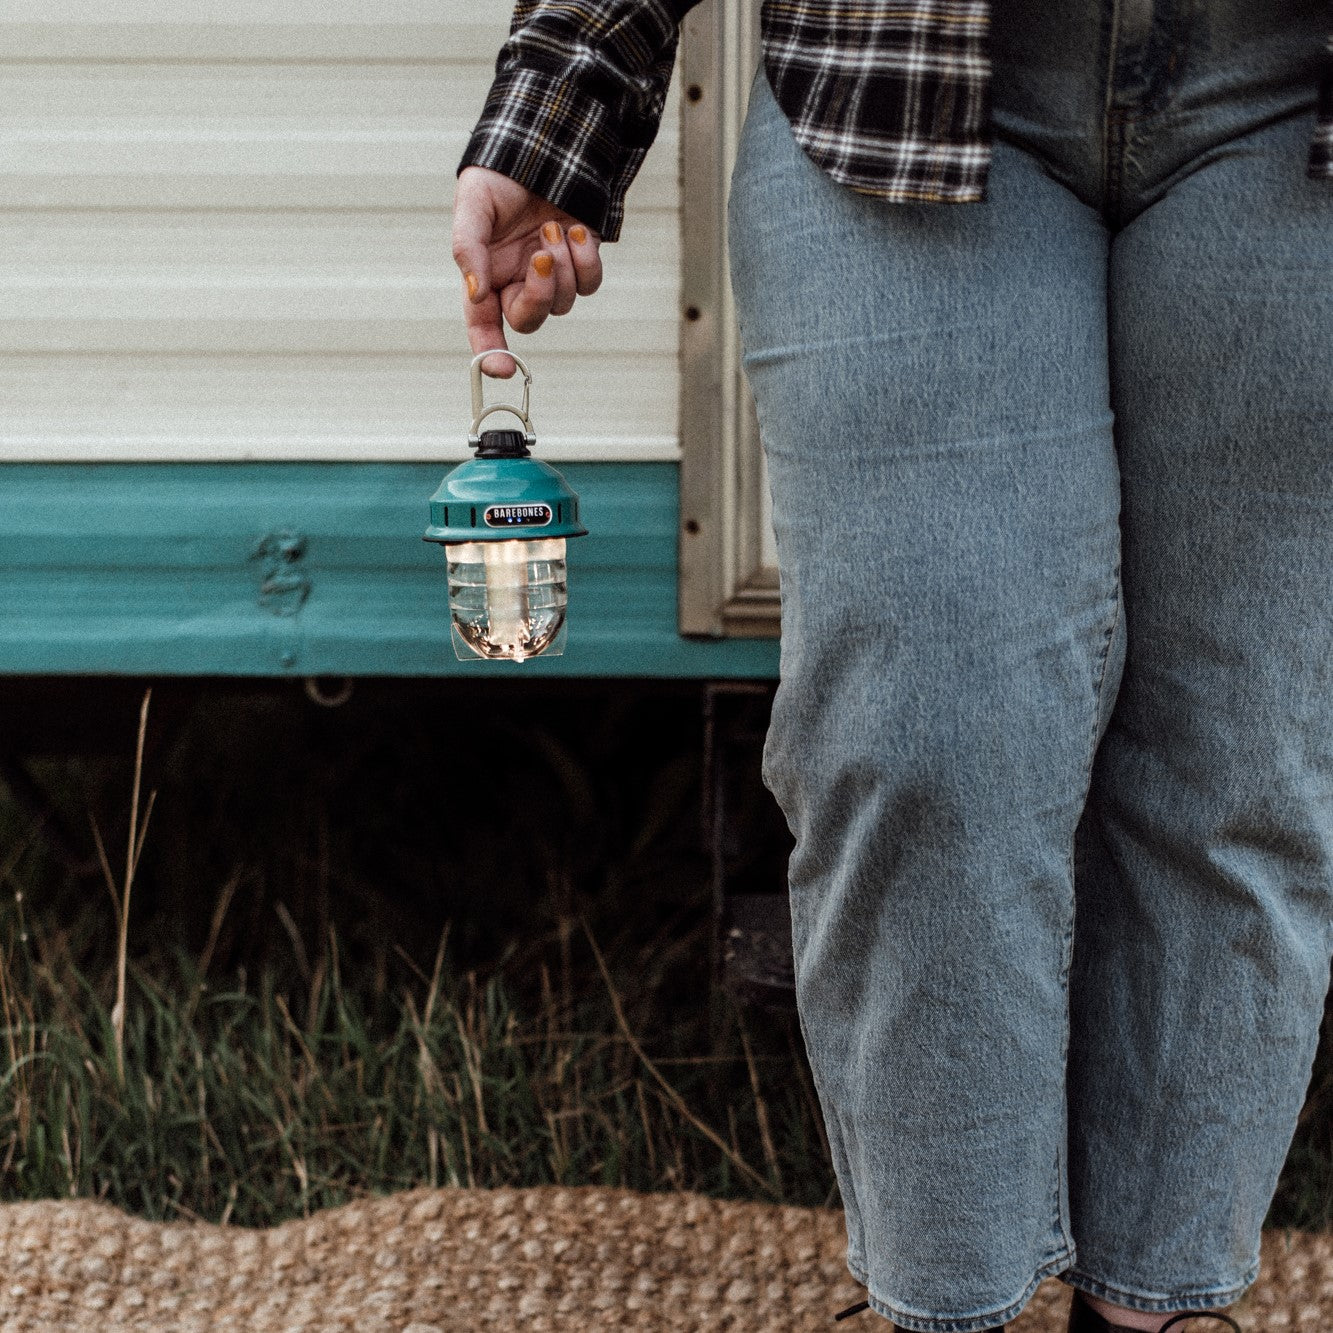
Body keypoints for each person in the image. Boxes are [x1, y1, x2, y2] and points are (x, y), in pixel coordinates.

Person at [450, 1, 1333, 1329]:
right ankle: (940, 1308)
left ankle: (1150, 1311)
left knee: (1232, 752)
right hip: (902, 83)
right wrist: (565, 99)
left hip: (1292, 97)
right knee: (923, 732)